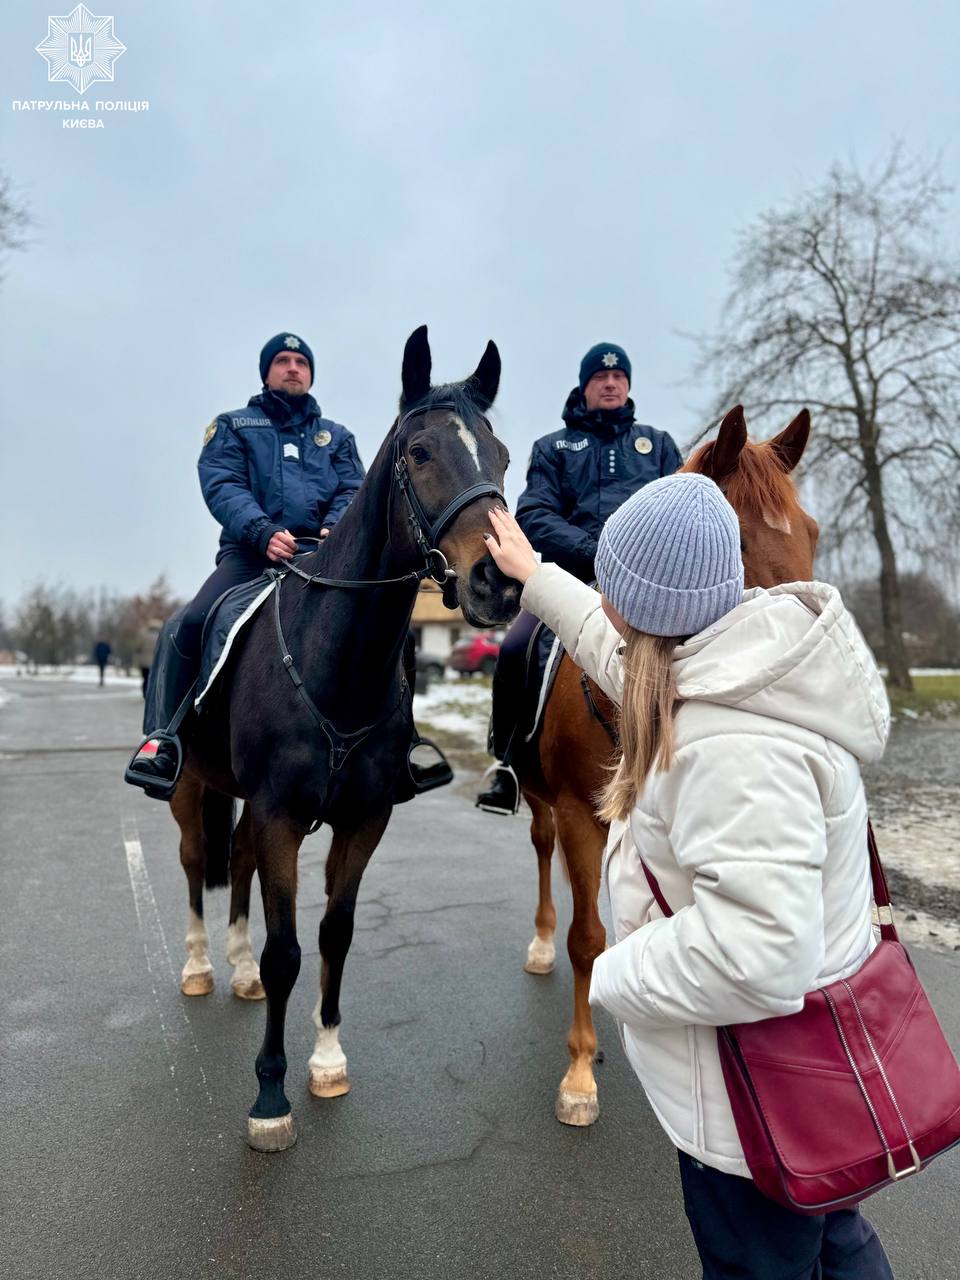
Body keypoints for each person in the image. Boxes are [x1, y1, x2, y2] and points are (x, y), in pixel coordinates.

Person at [482, 479, 894, 1279]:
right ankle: (510, 752)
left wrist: (615, 970)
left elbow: (757, 956)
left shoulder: (732, 747)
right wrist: (536, 576)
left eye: (614, 587)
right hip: (794, 1080)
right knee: (835, 1240)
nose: (604, 602)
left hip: (758, 1097)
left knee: (762, 1260)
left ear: (643, 602)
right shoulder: (719, 656)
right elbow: (620, 651)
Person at [126, 332, 365, 794]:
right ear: (266, 372)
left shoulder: (337, 437)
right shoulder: (233, 426)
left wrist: (337, 527)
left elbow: (352, 488)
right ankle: (164, 740)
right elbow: (223, 484)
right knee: (187, 624)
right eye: (282, 360)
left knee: (377, 624)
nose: (293, 367)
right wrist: (262, 532)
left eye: (301, 361)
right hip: (249, 556)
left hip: (321, 558)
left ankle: (400, 744)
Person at [476, 341, 682, 814]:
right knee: (514, 649)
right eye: (599, 378)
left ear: (628, 385)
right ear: (585, 385)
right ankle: (507, 764)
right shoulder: (553, 448)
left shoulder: (660, 446)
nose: (609, 384)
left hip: (647, 586)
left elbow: (680, 509)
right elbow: (534, 511)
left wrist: (639, 561)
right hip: (569, 582)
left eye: (618, 377)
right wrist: (595, 553)